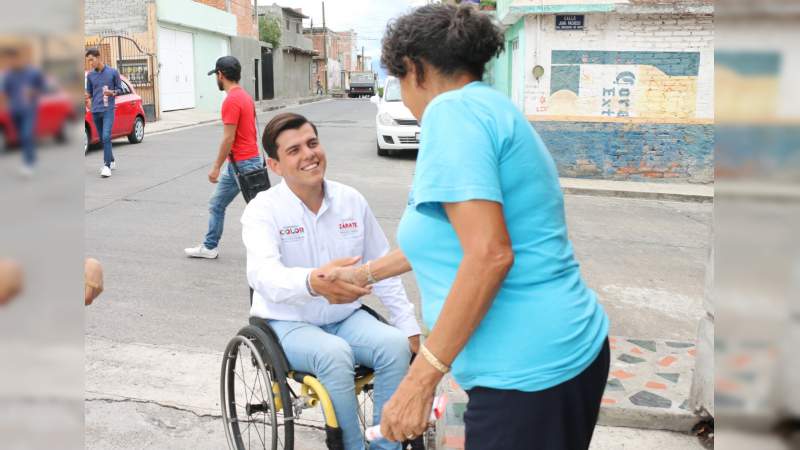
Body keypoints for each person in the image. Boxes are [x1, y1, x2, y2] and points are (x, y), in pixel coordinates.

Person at [322, 5, 610, 449]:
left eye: (399, 80)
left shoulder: (451, 113)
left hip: (527, 372)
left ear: (415, 69)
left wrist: (420, 382)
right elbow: (455, 238)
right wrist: (364, 275)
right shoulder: (488, 106)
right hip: (553, 356)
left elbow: (490, 254)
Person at [241, 112, 421, 450]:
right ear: (275, 165)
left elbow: (380, 267)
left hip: (345, 317)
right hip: (289, 322)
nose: (309, 155)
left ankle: (385, 445)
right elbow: (263, 275)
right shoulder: (263, 210)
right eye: (293, 150)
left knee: (395, 344)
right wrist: (312, 282)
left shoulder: (351, 201)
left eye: (312, 143)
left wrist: (407, 324)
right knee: (335, 354)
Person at [184, 56, 263, 259]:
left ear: (221, 75)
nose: (216, 79)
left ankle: (277, 249)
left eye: (216, 75)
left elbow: (228, 138)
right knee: (217, 204)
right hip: (242, 162)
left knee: (261, 212)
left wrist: (215, 167)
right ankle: (210, 246)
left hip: (243, 163)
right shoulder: (244, 96)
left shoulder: (232, 100)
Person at [1, 46, 45, 176]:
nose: (12, 62)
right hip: (14, 110)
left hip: (29, 110)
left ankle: (28, 164)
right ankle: (32, 156)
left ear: (20, 58)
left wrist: (33, 92)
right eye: (10, 60)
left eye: (14, 59)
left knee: (26, 135)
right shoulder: (8, 75)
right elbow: (4, 92)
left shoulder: (33, 73)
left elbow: (42, 88)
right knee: (22, 137)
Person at [85, 48, 122, 178]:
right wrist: (86, 98)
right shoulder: (90, 75)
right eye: (88, 61)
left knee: (106, 136)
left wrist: (111, 92)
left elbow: (120, 90)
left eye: (92, 60)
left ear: (99, 57)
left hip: (108, 110)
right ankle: (111, 160)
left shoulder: (113, 72)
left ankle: (106, 166)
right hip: (95, 111)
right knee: (102, 138)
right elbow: (89, 92)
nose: (90, 63)